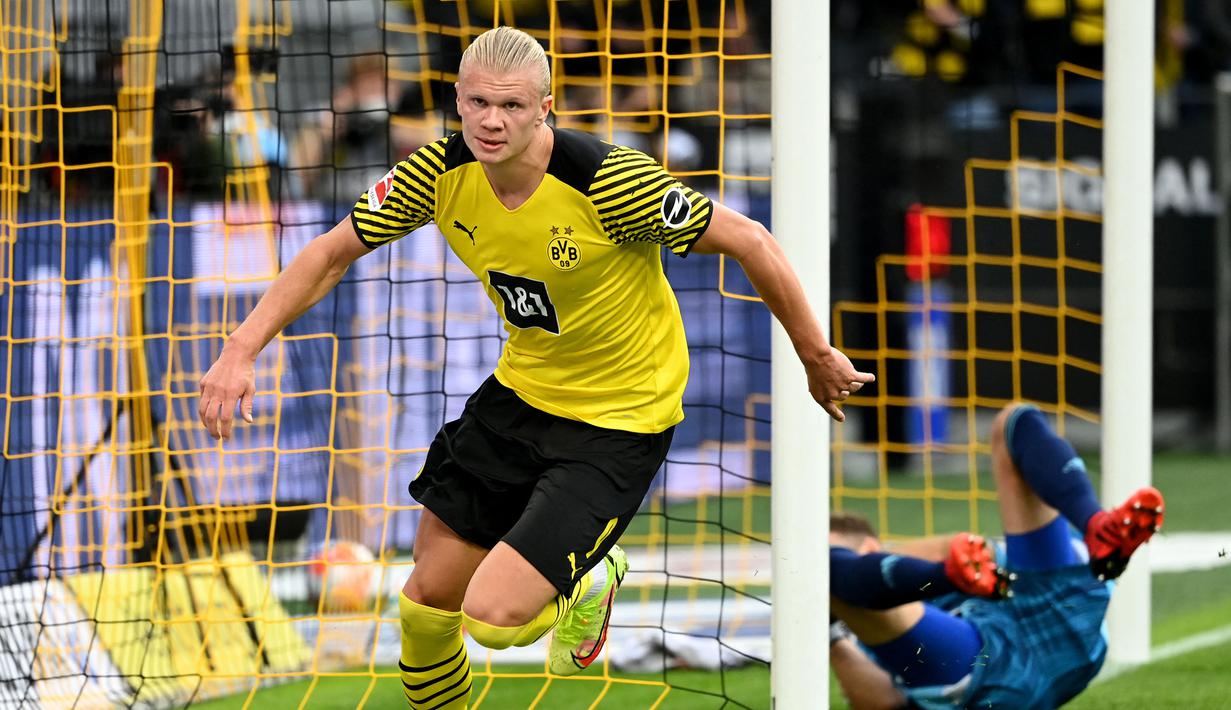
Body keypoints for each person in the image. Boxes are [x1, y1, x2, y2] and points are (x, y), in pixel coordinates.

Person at [197, 25, 875, 710]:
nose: (492, 121)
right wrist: (239, 349)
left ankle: (591, 575)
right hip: (521, 395)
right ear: (457, 100)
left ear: (544, 108)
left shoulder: (610, 181)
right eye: (479, 103)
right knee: (424, 605)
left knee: (493, 621)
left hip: (620, 420)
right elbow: (329, 253)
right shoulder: (435, 173)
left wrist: (814, 353)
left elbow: (752, 240)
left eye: (512, 105)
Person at [827, 403, 1165, 710]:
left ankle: (1098, 527)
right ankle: (1092, 527)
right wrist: (832, 634)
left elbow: (972, 549)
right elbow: (883, 700)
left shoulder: (924, 564)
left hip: (1042, 613)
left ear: (870, 549)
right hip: (991, 665)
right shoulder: (860, 635)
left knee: (1014, 422)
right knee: (832, 574)